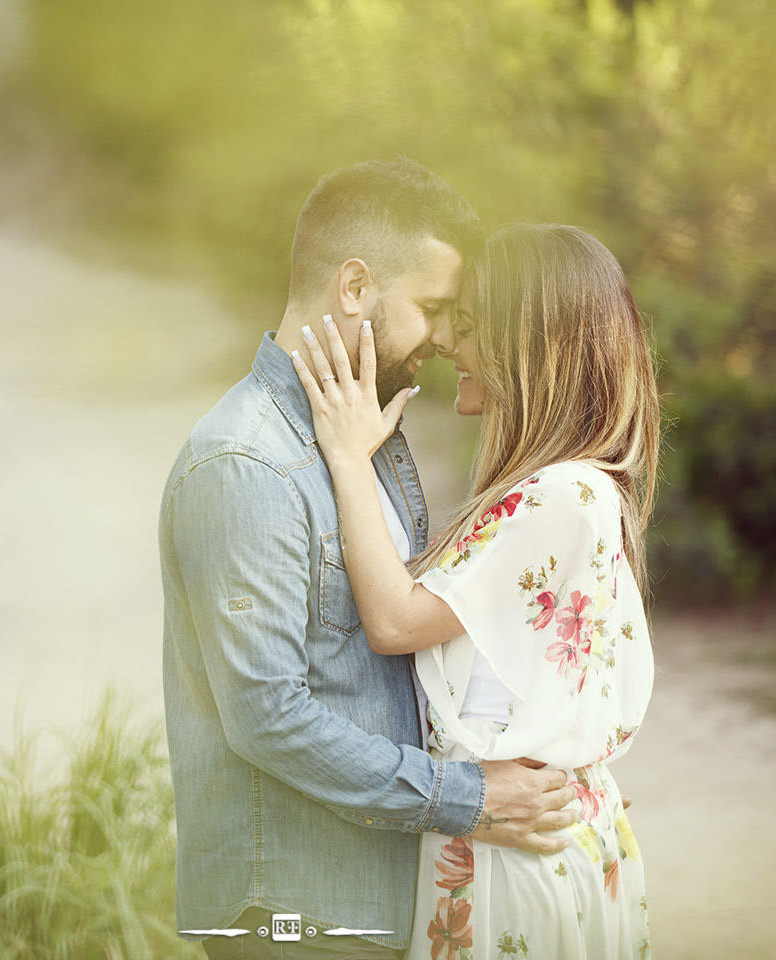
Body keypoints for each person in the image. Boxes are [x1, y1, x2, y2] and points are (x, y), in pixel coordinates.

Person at [159, 160, 579, 960]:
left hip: (375, 902)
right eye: (433, 308)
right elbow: (266, 716)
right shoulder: (245, 464)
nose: (448, 338)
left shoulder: (363, 437)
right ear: (354, 287)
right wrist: (468, 798)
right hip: (290, 913)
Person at [290, 221, 660, 959]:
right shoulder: (570, 489)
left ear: (529, 346)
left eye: (469, 327)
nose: (450, 346)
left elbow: (394, 623)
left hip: (514, 856)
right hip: (534, 838)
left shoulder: (560, 495)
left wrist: (345, 453)